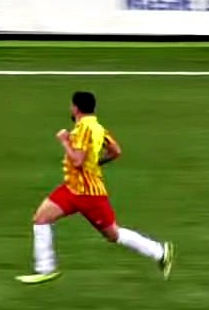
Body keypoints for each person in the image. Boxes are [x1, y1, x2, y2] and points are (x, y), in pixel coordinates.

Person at [17, 91, 175, 284]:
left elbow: (77, 161)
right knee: (41, 218)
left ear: (76, 108)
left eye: (71, 106)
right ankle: (45, 269)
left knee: (113, 234)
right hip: (72, 188)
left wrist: (65, 141)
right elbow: (115, 151)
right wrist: (96, 164)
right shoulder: (98, 128)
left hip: (88, 194)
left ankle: (160, 252)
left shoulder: (84, 128)